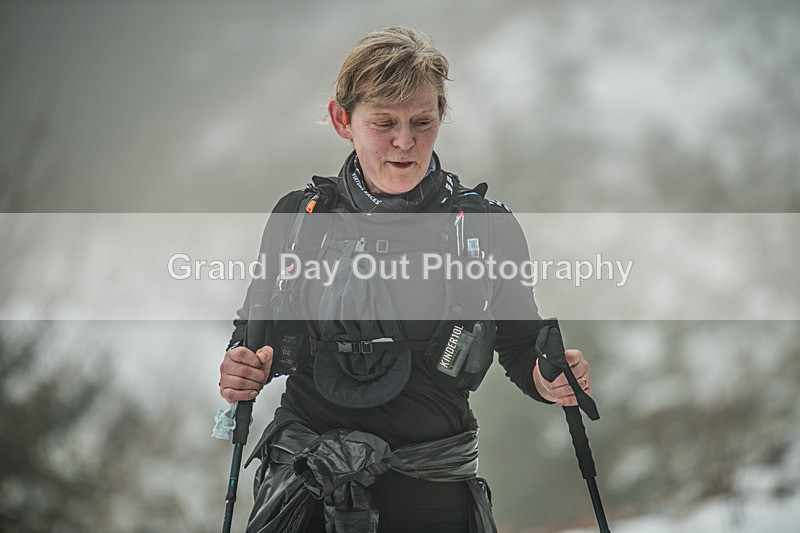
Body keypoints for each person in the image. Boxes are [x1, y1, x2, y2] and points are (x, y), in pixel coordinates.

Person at [218, 26, 593, 533]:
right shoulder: (300, 218)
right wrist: (241, 368)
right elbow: (252, 334)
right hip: (304, 491)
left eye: (422, 120)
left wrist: (551, 380)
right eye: (384, 122)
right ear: (341, 119)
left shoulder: (483, 228)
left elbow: (523, 345)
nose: (405, 140)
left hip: (431, 493)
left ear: (441, 117)